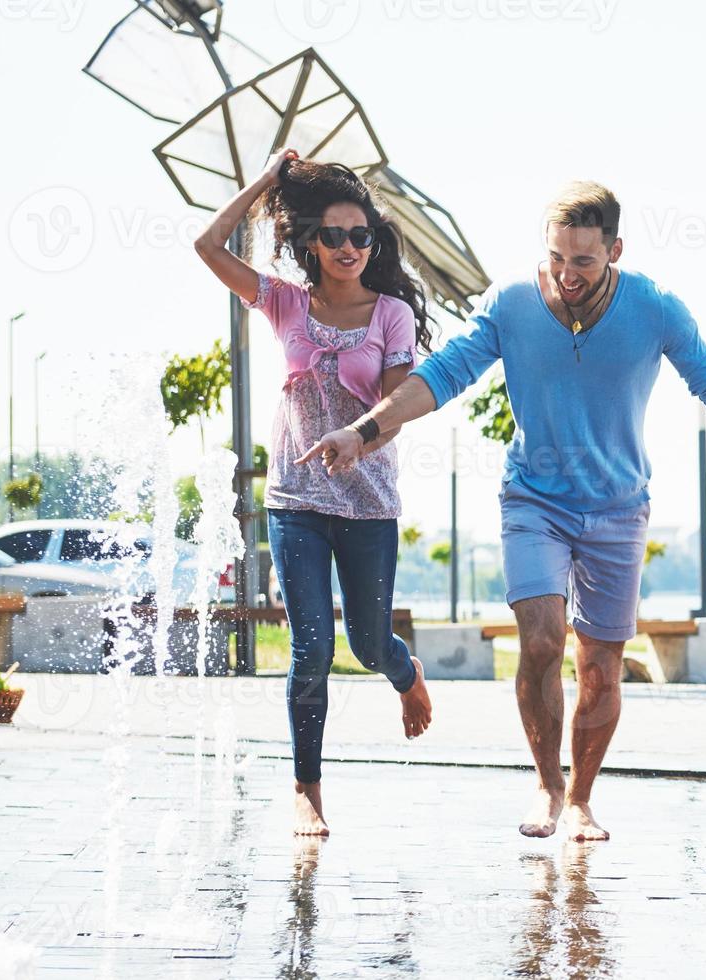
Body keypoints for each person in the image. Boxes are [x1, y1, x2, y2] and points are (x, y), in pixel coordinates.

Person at [298, 181, 706, 841]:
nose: (567, 275)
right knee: (540, 640)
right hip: (533, 501)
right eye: (557, 258)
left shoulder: (655, 308)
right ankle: (546, 784)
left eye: (584, 262)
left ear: (614, 251)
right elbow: (444, 374)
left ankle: (582, 801)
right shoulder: (510, 302)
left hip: (618, 510)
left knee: (598, 666)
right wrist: (363, 431)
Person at [194, 148, 433, 837]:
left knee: (366, 641)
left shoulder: (391, 315)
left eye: (360, 234)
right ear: (311, 243)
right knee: (311, 649)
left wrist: (359, 433)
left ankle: (403, 669)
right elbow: (206, 245)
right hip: (294, 499)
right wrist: (266, 181)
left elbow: (393, 410)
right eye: (333, 235)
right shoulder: (284, 303)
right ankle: (307, 789)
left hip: (366, 503)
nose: (349, 246)